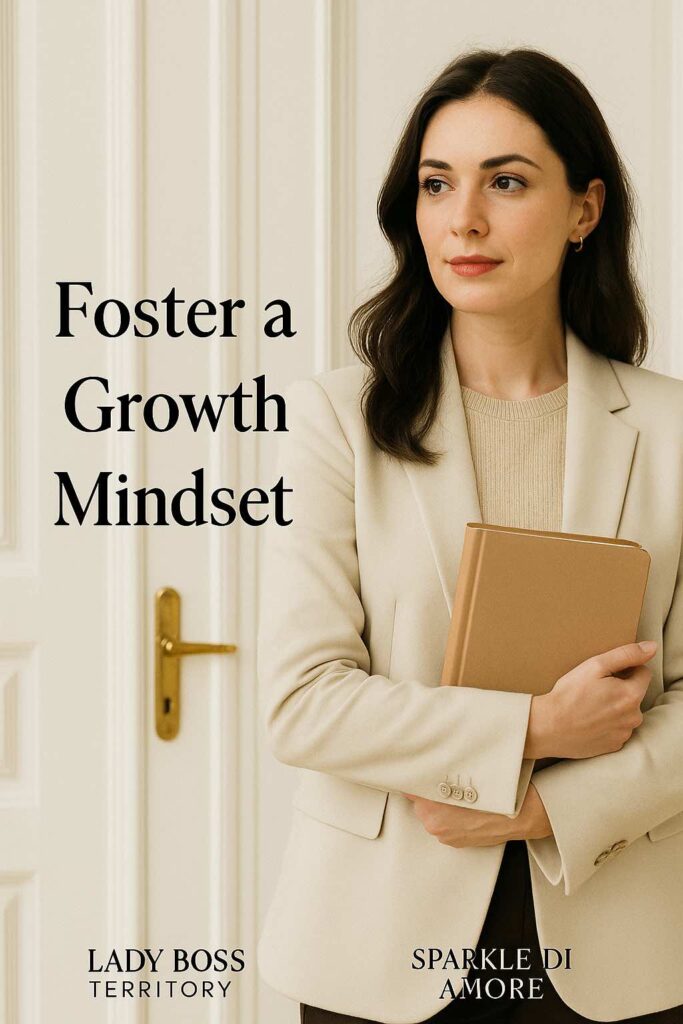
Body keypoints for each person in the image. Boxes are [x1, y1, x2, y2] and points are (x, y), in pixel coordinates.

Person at [256, 47, 683, 1024]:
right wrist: (534, 729)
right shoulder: (336, 421)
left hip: (617, 938)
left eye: (506, 181)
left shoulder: (671, 432)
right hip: (372, 942)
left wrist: (549, 807)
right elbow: (301, 702)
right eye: (436, 183)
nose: (463, 219)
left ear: (583, 210)